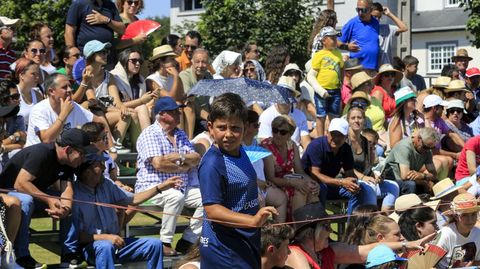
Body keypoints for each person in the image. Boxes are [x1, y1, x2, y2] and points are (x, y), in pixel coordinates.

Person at [198, 93, 278, 268]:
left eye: (235, 128)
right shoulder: (212, 163)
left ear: (245, 127)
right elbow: (212, 209)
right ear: (210, 128)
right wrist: (252, 221)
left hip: (246, 240)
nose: (229, 134)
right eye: (222, 127)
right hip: (225, 249)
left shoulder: (241, 151)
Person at [72, 146, 179, 269]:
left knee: (155, 244)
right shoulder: (74, 195)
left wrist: (160, 187)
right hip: (92, 248)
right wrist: (106, 237)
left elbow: (134, 199)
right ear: (87, 171)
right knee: (105, 246)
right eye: (99, 165)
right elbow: (77, 237)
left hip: (116, 243)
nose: (103, 168)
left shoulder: (107, 184)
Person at [0, 128, 90, 268]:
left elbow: (67, 189)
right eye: (82, 153)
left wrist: (65, 209)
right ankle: (21, 256)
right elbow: (20, 184)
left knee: (73, 203)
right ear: (67, 149)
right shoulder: (42, 152)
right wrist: (49, 199)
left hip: (34, 194)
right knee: (25, 201)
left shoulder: (69, 162)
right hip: (9, 195)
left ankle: (69, 255)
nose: (84, 158)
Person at [136, 96, 202, 256]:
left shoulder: (180, 134)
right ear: (163, 114)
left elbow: (196, 158)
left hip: (182, 187)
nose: (180, 114)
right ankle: (165, 242)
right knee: (174, 196)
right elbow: (158, 164)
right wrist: (184, 166)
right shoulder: (150, 134)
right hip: (154, 189)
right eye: (175, 111)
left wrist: (180, 157)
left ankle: (187, 241)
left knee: (210, 197)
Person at [286, 202, 435, 269]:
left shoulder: (327, 251)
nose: (330, 231)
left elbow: (370, 249)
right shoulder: (295, 252)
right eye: (326, 226)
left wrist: (408, 244)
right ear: (311, 232)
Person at [302, 118, 377, 215]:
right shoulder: (316, 145)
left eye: (340, 135)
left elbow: (349, 173)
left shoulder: (346, 149)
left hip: (331, 185)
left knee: (358, 190)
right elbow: (315, 175)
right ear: (327, 133)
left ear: (346, 137)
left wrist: (354, 184)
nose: (336, 138)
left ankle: (353, 225)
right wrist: (342, 182)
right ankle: (320, 224)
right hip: (310, 183)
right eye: (333, 134)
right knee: (321, 188)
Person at [261, 115, 319, 221]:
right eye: (275, 130)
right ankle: (297, 229)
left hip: (289, 180)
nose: (278, 135)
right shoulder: (267, 147)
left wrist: (312, 182)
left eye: (282, 132)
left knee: (312, 190)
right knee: (300, 191)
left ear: (290, 134)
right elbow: (271, 177)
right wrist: (293, 183)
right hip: (273, 183)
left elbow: (299, 171)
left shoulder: (292, 146)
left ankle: (310, 230)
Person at [83, 40, 133, 151]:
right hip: (87, 116)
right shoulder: (83, 74)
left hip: (104, 113)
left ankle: (115, 145)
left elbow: (116, 101)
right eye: (101, 52)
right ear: (91, 54)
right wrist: (109, 108)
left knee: (126, 114)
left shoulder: (109, 76)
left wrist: (122, 107)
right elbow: (92, 100)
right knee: (97, 109)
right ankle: (111, 146)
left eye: (106, 52)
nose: (105, 54)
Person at [346, 106, 399, 211]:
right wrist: (363, 177)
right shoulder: (345, 140)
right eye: (353, 118)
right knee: (370, 187)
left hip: (364, 181)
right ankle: (372, 219)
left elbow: (367, 167)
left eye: (359, 118)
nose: (356, 121)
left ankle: (385, 215)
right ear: (348, 121)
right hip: (348, 180)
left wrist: (376, 176)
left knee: (393, 186)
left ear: (364, 120)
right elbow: (344, 167)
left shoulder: (365, 141)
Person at [25, 73, 97, 147]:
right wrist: (64, 113)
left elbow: (96, 121)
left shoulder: (72, 105)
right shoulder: (39, 110)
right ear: (51, 91)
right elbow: (46, 140)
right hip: (40, 155)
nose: (70, 89)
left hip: (63, 153)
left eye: (69, 86)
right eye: (64, 87)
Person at [307, 26, 344, 137]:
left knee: (334, 116)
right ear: (324, 40)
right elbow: (312, 75)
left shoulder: (338, 53)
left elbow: (342, 68)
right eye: (332, 38)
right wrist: (320, 90)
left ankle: (332, 137)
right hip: (322, 90)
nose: (335, 40)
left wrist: (342, 83)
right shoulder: (319, 55)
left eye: (335, 38)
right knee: (321, 116)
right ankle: (320, 138)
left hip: (335, 90)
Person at [110, 48, 157, 134]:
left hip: (137, 112)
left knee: (153, 109)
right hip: (120, 112)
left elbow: (142, 102)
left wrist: (150, 102)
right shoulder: (114, 77)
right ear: (124, 60)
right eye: (134, 61)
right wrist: (141, 101)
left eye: (140, 61)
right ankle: (148, 141)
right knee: (142, 108)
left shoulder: (140, 80)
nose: (138, 64)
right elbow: (117, 105)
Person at [258, 77, 310, 150]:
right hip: (274, 155)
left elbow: (306, 143)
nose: (285, 96)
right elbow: (265, 145)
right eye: (282, 93)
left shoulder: (300, 115)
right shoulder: (266, 116)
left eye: (288, 93)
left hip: (296, 153)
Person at [382, 127, 439, 194]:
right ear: (418, 139)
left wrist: (422, 176)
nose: (428, 150)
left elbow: (434, 174)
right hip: (392, 179)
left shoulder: (428, 150)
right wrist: (424, 182)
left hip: (409, 179)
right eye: (426, 147)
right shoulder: (404, 147)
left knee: (437, 183)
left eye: (432, 148)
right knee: (411, 185)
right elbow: (405, 176)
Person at [434, 192, 480, 268]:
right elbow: (431, 262)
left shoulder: (478, 233)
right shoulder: (445, 234)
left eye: (473, 214)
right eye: (464, 215)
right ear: (455, 216)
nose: (470, 220)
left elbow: (477, 261)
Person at [179, 48, 213, 139]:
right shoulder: (185, 76)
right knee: (189, 104)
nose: (200, 65)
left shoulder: (209, 77)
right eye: (197, 62)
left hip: (206, 117)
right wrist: (209, 117)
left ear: (208, 64)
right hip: (191, 116)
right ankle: (189, 140)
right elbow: (189, 99)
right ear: (192, 62)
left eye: (204, 62)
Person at [338, 0, 379, 71]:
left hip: (373, 69)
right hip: (357, 69)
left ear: (371, 10)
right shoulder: (352, 23)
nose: (360, 13)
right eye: (358, 9)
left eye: (363, 10)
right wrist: (346, 47)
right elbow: (336, 42)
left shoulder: (375, 22)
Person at [0, 79, 27, 165]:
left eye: (18, 96)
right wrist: (15, 137)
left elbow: (22, 144)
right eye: (15, 97)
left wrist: (3, 148)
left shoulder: (18, 119)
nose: (19, 100)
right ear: (3, 99)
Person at [14, 58, 43, 130]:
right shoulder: (12, 94)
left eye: (38, 74)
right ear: (22, 75)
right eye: (33, 74)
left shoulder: (38, 95)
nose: (37, 77)